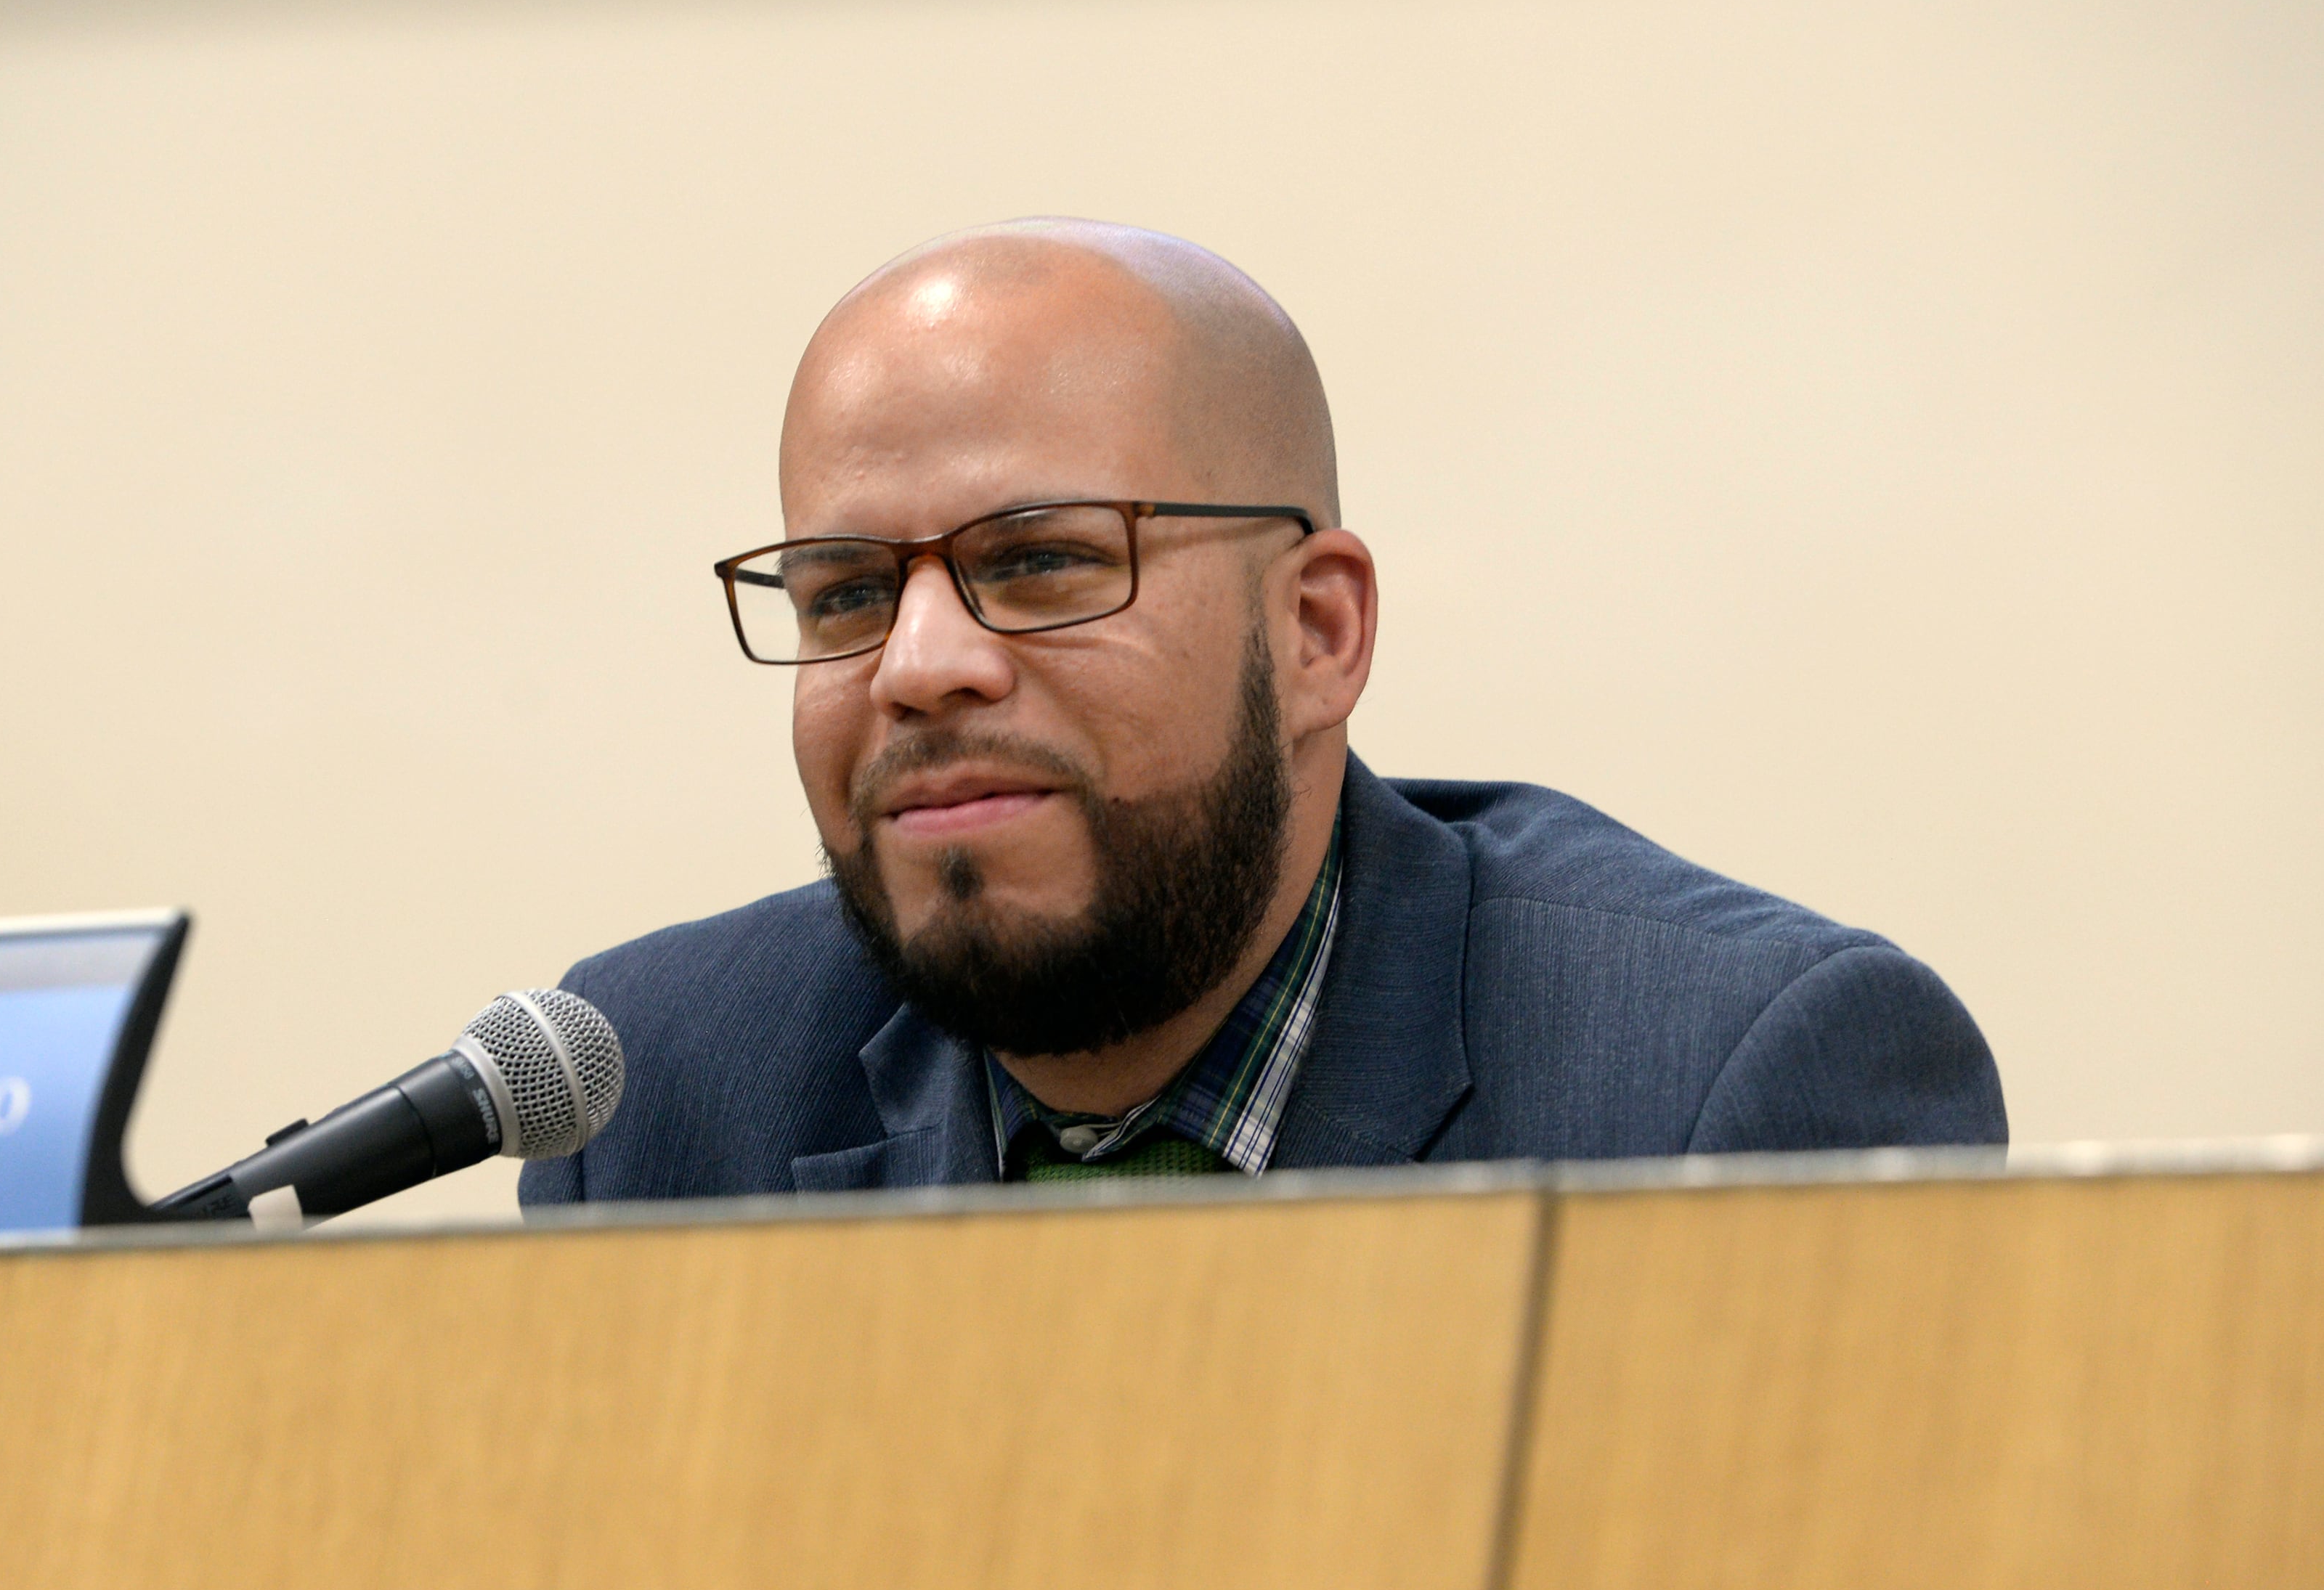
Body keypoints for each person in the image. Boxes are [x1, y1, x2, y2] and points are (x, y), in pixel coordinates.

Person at [521, 219, 2003, 1207]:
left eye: (1041, 563)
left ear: (1317, 632)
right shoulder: (657, 1098)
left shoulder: (1726, 1086)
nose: (919, 663)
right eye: (844, 593)